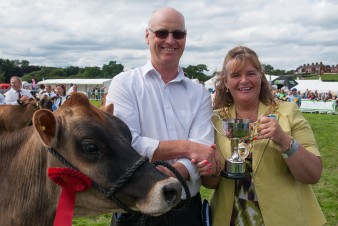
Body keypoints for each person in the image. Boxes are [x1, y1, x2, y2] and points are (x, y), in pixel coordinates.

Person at [106, 7, 220, 226]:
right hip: (137, 210)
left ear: (185, 38)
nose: (171, 40)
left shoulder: (199, 94)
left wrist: (162, 178)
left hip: (185, 211)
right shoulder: (124, 84)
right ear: (147, 36)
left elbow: (204, 151)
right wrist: (189, 147)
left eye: (178, 34)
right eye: (162, 33)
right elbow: (128, 145)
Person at [200, 46, 326, 226]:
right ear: (226, 82)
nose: (244, 80)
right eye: (235, 75)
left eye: (251, 73)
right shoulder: (215, 119)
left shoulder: (288, 112)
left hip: (286, 218)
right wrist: (210, 170)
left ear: (261, 77)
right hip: (231, 218)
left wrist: (284, 141)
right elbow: (211, 183)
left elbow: (313, 174)